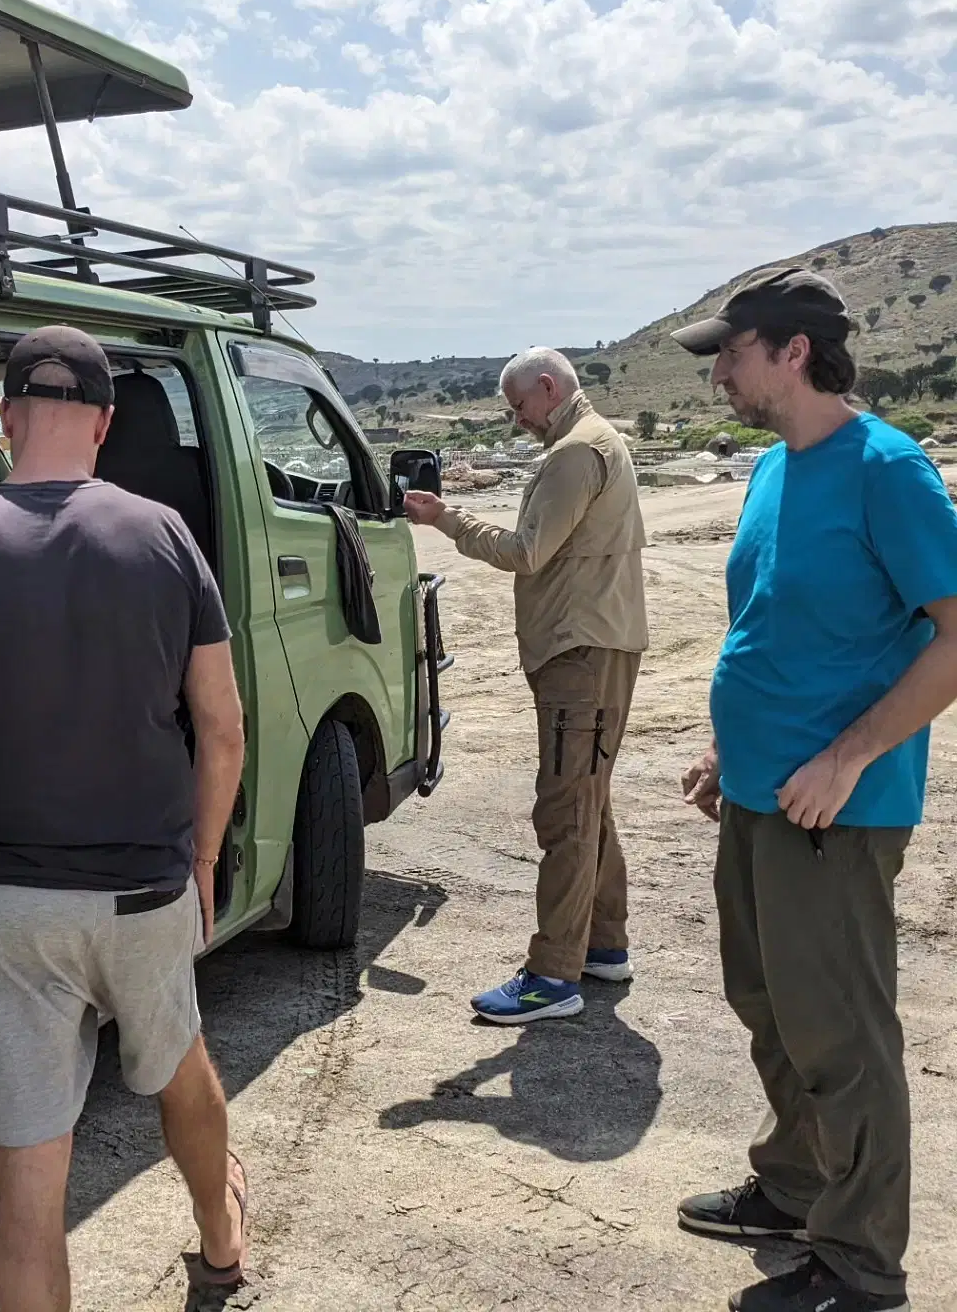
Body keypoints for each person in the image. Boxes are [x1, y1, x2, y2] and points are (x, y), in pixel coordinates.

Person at [0, 326, 251, 1311]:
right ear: (106, 423)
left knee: (28, 1179)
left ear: (6, 417)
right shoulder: (165, 536)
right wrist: (204, 858)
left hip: (6, 903)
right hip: (144, 890)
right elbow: (223, 729)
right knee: (179, 1067)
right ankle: (221, 1240)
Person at [673, 266, 957, 1312]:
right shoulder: (772, 469)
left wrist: (847, 757)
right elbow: (769, 626)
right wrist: (727, 749)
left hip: (837, 810)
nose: (718, 377)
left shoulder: (888, 469)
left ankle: (861, 1266)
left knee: (841, 1035)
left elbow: (955, 635)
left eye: (731, 354)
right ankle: (796, 1187)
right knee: (769, 1007)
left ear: (794, 352)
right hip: (757, 795)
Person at [405, 347, 648, 1024]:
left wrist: (446, 519)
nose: (518, 421)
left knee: (566, 809)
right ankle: (603, 944)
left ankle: (552, 975)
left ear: (548, 387)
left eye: (519, 407)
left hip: (580, 651)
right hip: (595, 646)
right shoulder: (600, 441)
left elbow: (525, 552)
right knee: (588, 800)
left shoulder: (575, 451)